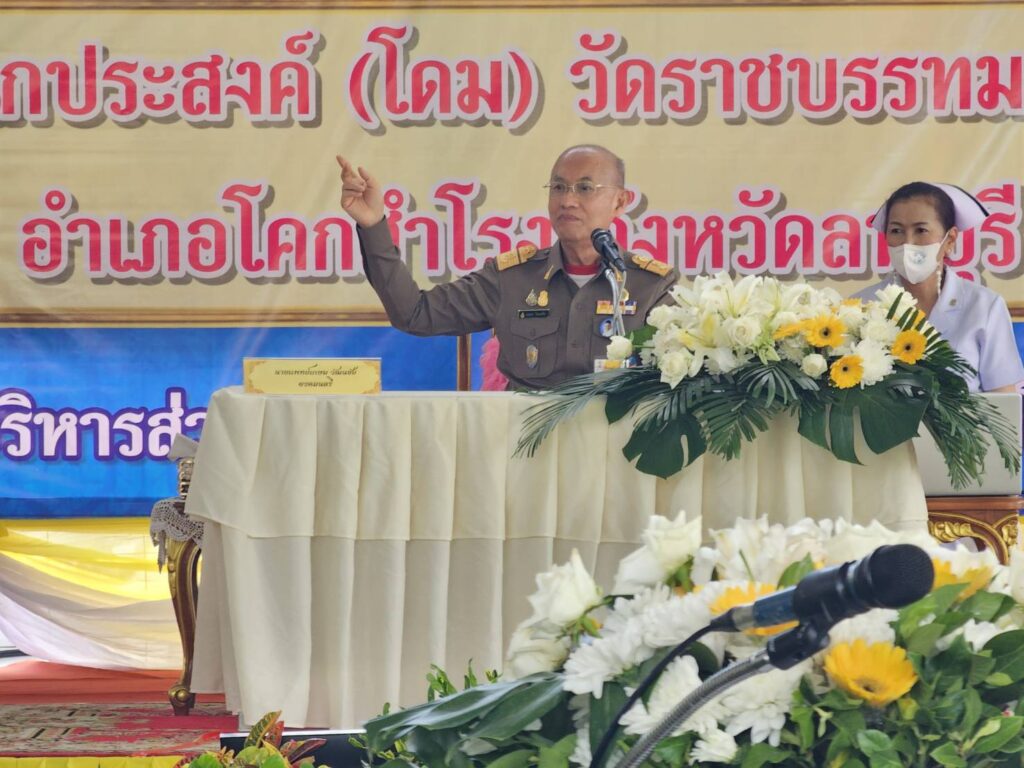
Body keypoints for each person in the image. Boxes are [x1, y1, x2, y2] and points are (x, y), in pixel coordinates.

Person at [336, 145, 680, 390]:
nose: (567, 200)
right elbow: (415, 313)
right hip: (524, 453)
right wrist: (373, 225)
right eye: (558, 187)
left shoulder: (651, 286)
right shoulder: (513, 279)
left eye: (585, 188)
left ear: (620, 201)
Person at [856, 181, 1023, 393]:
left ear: (950, 239)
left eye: (921, 230)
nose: (908, 242)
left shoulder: (984, 306)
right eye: (896, 230)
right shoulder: (861, 307)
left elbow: (1004, 399)